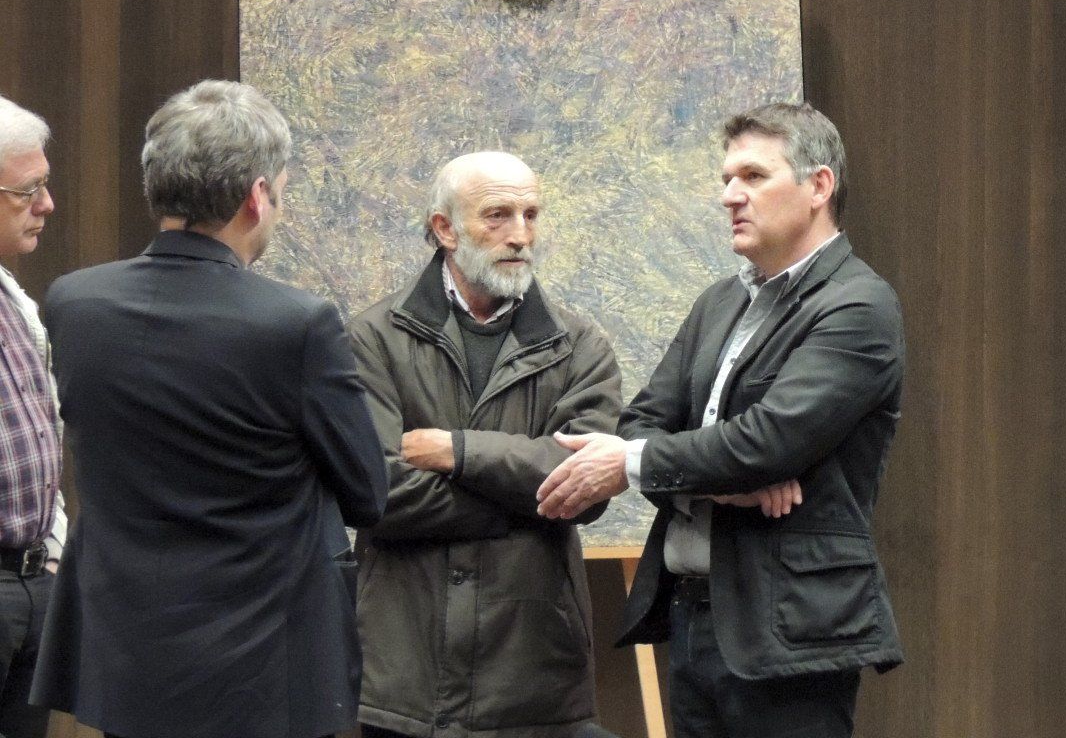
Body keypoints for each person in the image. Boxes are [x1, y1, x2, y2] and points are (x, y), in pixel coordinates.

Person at [30, 80, 387, 738]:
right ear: (258, 194)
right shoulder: (298, 324)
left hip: (126, 658)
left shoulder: (74, 303)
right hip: (264, 668)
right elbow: (367, 492)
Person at [537, 103, 905, 738]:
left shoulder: (858, 306)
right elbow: (642, 422)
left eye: (753, 176)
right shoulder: (720, 301)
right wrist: (724, 483)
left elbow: (766, 443)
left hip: (791, 630)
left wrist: (639, 465)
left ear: (819, 186)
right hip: (693, 617)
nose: (730, 196)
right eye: (727, 179)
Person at [350, 151, 622, 738]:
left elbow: (588, 487)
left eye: (531, 215)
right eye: (497, 215)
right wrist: (525, 505)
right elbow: (376, 494)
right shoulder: (372, 338)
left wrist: (459, 451)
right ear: (445, 228)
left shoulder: (581, 346)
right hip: (404, 672)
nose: (520, 235)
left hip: (531, 674)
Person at [0, 97, 65, 738]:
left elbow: (45, 435)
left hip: (29, 584)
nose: (47, 205)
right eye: (28, 191)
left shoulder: (15, 300)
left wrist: (52, 554)